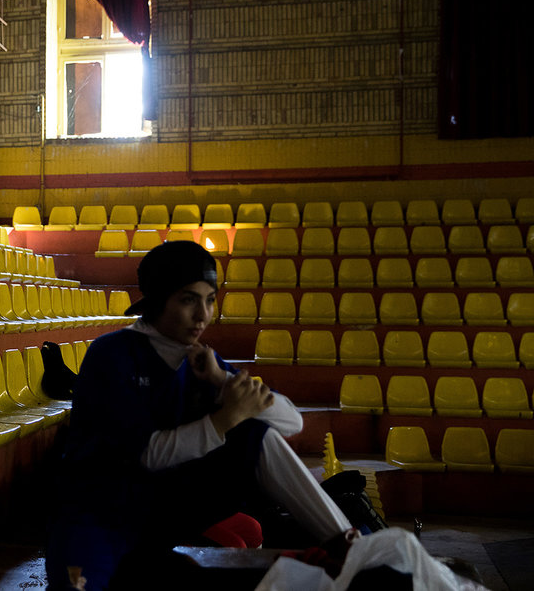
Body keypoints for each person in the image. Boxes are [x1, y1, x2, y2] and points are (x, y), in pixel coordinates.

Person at [46, 241, 367, 590]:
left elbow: (292, 423)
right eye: (188, 300)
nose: (203, 315)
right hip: (97, 514)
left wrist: (222, 380)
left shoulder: (199, 360)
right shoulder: (112, 354)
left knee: (254, 432)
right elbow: (149, 455)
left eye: (210, 299)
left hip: (160, 511)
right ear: (157, 301)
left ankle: (347, 545)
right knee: (76, 585)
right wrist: (225, 417)